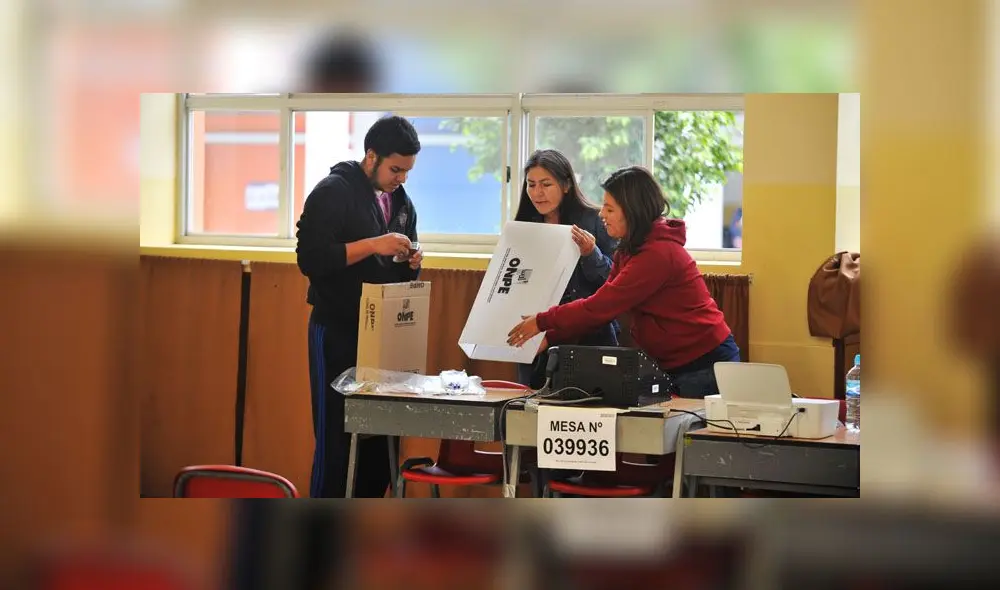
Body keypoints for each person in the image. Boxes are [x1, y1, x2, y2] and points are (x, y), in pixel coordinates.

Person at [507, 165, 740, 398]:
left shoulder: (657, 254)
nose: (601, 215)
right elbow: (603, 308)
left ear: (631, 211)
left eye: (609, 209)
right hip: (675, 363)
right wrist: (550, 336)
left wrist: (542, 321)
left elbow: (601, 306)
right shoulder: (628, 251)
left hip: (704, 364)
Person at [295, 115, 423, 498]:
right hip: (337, 328)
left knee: (379, 441)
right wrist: (374, 243)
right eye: (395, 169)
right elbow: (311, 259)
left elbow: (400, 266)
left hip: (382, 332)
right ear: (371, 156)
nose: (401, 178)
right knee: (337, 437)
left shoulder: (401, 201)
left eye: (407, 171)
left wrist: (411, 260)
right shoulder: (333, 190)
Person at [512, 149, 619, 388]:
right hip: (535, 335)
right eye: (531, 185)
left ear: (566, 185)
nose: (537, 193)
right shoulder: (523, 226)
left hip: (588, 338)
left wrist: (591, 254)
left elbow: (614, 282)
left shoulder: (595, 219)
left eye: (546, 184)